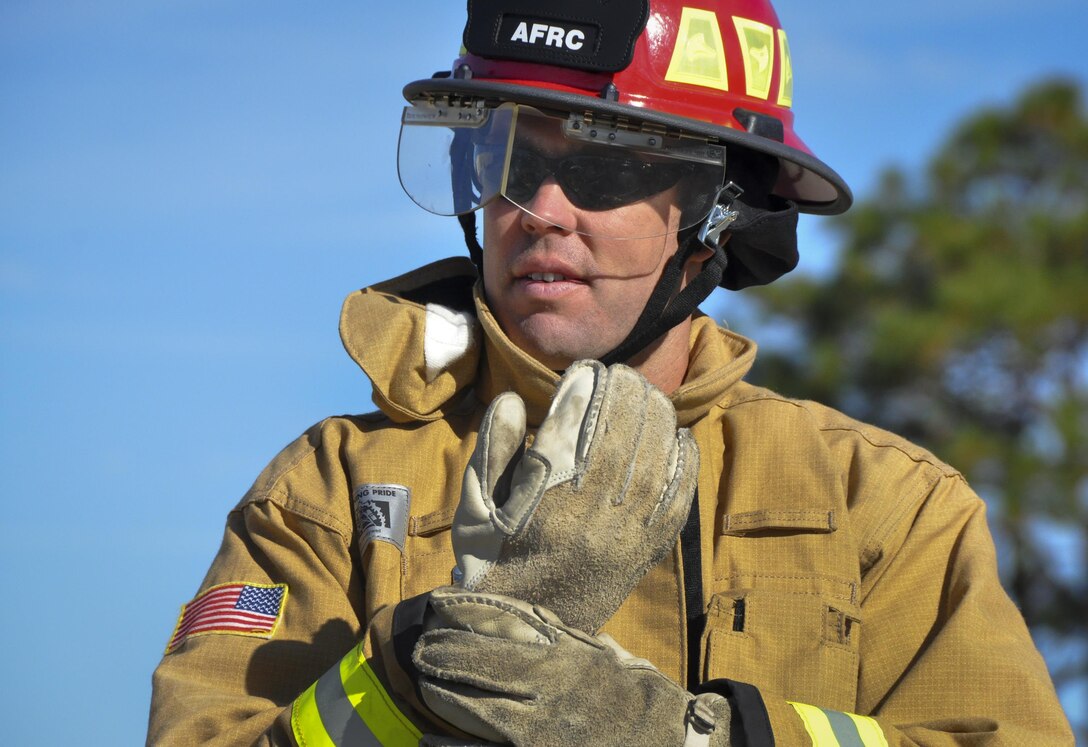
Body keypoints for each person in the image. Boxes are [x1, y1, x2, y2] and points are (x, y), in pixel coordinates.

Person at [148, 0, 1074, 744]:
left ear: (719, 213)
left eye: (599, 170)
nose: (539, 211)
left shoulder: (885, 507)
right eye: (505, 159)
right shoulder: (331, 493)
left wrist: (685, 737)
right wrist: (416, 686)